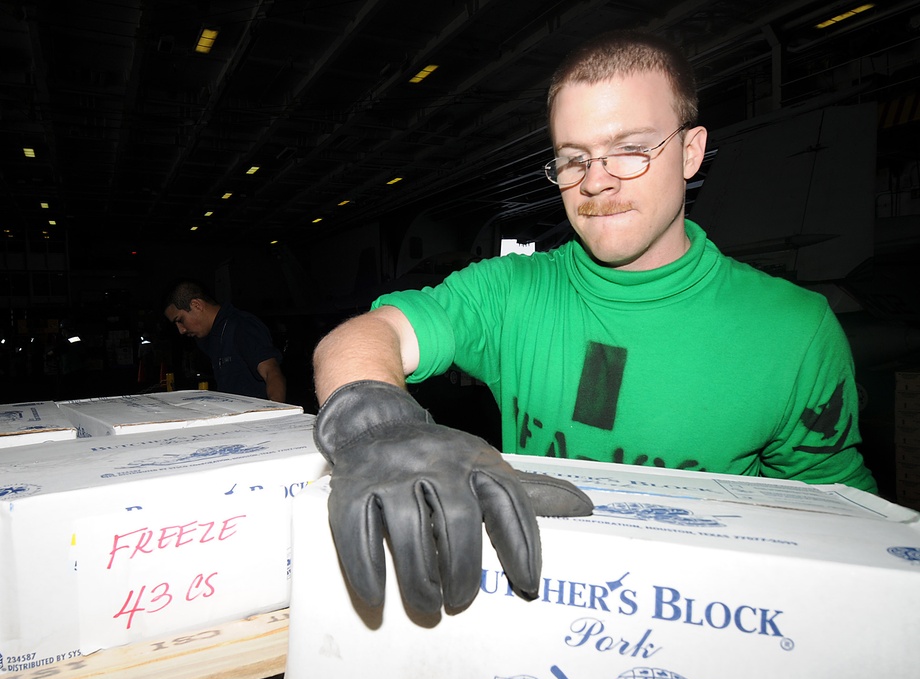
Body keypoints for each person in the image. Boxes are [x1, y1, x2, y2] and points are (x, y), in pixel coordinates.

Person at [311, 30, 876, 616]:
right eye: (573, 158)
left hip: (707, 617)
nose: (596, 181)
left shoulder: (794, 329)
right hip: (538, 600)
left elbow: (841, 523)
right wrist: (372, 426)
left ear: (691, 151)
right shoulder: (512, 291)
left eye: (630, 149)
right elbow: (365, 335)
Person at [163, 281, 286, 402]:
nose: (181, 330)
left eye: (180, 320)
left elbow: (271, 372)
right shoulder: (212, 336)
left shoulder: (242, 326)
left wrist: (276, 411)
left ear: (196, 305)